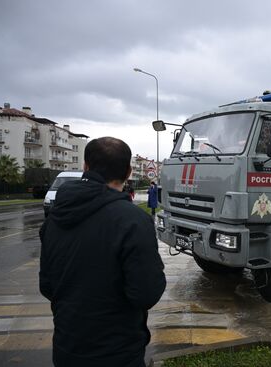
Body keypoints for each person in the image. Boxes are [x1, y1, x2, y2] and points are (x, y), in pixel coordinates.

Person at [39, 137, 166, 367]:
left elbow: (46, 285)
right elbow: (146, 293)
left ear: (85, 167)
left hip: (66, 348)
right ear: (128, 172)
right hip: (117, 353)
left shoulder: (54, 218)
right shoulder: (133, 221)